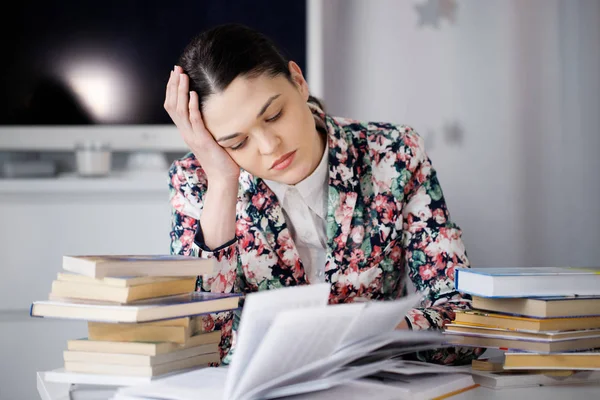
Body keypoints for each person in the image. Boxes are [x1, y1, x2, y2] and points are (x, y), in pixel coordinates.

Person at [166, 23, 483, 366]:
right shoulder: (197, 182)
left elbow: (467, 320)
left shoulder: (393, 154)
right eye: (237, 142)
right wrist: (222, 184)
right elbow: (196, 346)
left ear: (298, 82)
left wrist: (387, 331)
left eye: (274, 115)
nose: (269, 146)